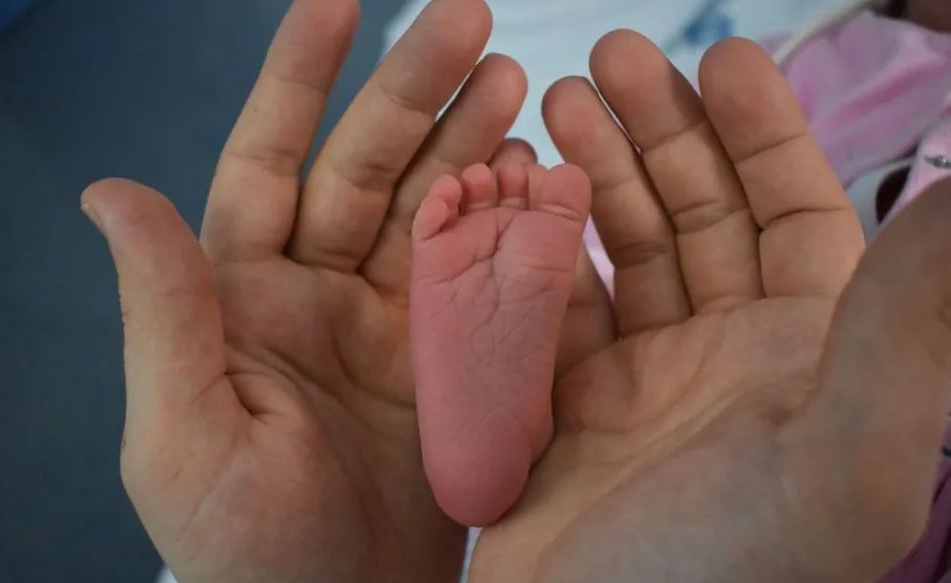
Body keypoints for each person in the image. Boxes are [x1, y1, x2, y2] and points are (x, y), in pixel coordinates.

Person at [81, 0, 951, 581]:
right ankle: (521, 350)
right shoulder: (837, 54)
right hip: (700, 378)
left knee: (649, 249)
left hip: (752, 430)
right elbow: (692, 237)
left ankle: (517, 348)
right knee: (659, 243)